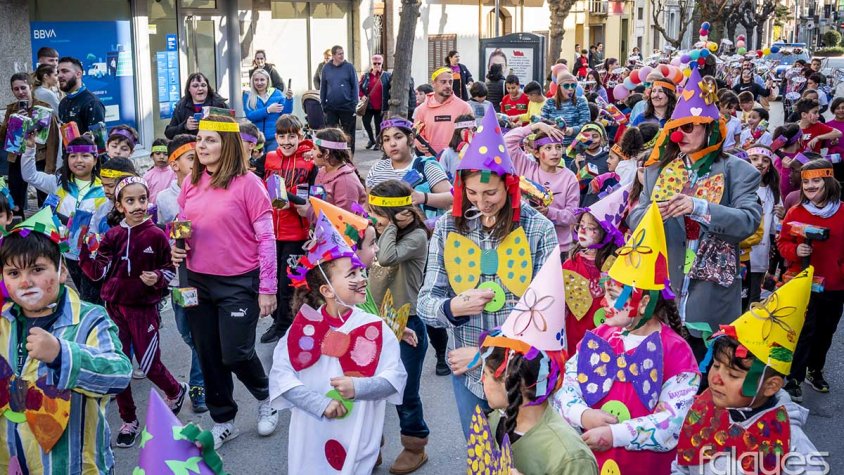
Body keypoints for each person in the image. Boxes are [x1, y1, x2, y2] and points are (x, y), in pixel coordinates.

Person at [417, 112, 558, 437]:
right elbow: (425, 302)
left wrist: (487, 354)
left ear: (509, 187)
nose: (481, 202)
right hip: (468, 376)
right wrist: (452, 308)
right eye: (472, 193)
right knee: (481, 459)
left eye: (490, 193)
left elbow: (548, 317)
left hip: (523, 376)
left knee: (521, 460)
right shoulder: (449, 228)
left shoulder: (539, 229)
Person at [628, 63, 762, 367]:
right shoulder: (656, 172)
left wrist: (699, 207)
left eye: (688, 128)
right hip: (664, 295)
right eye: (676, 130)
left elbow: (748, 221)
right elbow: (634, 222)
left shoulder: (738, 171)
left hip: (711, 297)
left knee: (706, 381)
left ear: (709, 128)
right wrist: (653, 214)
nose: (680, 137)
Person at [556, 203, 700, 475]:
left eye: (614, 296)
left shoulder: (677, 352)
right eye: (606, 294)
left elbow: (673, 420)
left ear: (644, 302)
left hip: (645, 467)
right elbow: (567, 386)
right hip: (593, 463)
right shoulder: (599, 337)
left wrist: (616, 434)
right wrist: (583, 416)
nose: (604, 304)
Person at [170, 115, 279, 449]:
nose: (201, 146)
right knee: (208, 352)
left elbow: (267, 239)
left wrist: (267, 288)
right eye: (200, 139)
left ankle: (267, 397)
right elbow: (181, 222)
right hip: (195, 280)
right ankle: (223, 419)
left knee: (235, 352)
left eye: (211, 140)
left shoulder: (249, 183)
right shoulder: (191, 181)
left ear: (228, 144)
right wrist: (175, 245)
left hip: (238, 282)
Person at [269, 212, 406, 474]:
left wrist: (359, 387)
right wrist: (318, 404)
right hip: (311, 436)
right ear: (327, 290)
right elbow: (281, 377)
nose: (361, 278)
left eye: (360, 271)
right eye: (351, 274)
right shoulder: (303, 327)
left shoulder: (374, 327)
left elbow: (395, 377)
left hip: (357, 433)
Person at [0, 208, 131, 474]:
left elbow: (119, 374)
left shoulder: (89, 318)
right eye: (13, 273)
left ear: (60, 272)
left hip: (75, 465)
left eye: (37, 269)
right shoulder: (3, 323)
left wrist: (63, 354)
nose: (25, 282)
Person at [672, 269, 819, 475]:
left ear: (771, 386)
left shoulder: (790, 443)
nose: (715, 379)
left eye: (732, 375)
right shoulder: (703, 407)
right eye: (716, 365)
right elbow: (682, 466)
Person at [79, 176, 187, 447]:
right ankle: (129, 420)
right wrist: (82, 250)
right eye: (130, 201)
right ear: (119, 205)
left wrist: (159, 277)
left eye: (142, 199)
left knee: (149, 364)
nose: (138, 205)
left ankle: (175, 390)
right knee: (121, 367)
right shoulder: (112, 236)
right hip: (114, 309)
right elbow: (98, 272)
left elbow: (170, 268)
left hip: (143, 311)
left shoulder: (157, 234)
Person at [476, 249, 599, 475]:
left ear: (514, 381)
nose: (481, 380)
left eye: (486, 374)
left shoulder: (570, 457)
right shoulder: (494, 421)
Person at [368, 180, 433, 474]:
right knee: (369, 389)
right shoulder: (377, 231)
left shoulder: (417, 235)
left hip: (408, 323)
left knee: (404, 392)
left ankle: (414, 445)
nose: (374, 219)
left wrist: (390, 226)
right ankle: (368, 445)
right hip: (374, 321)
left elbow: (386, 257)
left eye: (379, 213)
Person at [778, 159, 843, 401]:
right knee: (804, 330)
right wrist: (795, 252)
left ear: (828, 181)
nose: (811, 186)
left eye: (816, 180)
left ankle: (815, 370)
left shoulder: (843, 212)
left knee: (826, 330)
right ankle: (794, 377)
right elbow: (782, 242)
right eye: (806, 182)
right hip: (803, 281)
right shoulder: (796, 212)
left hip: (835, 285)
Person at [20, 134, 109, 304]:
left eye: (85, 156)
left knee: (90, 301)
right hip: (68, 254)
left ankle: (98, 328)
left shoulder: (105, 188)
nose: (78, 160)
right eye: (73, 156)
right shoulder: (58, 184)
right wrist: (30, 148)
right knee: (85, 296)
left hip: (95, 256)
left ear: (95, 158)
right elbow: (29, 175)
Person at [156, 134, 207, 413]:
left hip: (205, 276)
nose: (198, 159)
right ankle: (210, 356)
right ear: (174, 164)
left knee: (199, 334)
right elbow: (159, 233)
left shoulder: (207, 189)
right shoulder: (164, 198)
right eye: (191, 157)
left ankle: (199, 387)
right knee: (188, 333)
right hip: (179, 280)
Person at [260, 114, 317, 344]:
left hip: (296, 233)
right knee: (271, 280)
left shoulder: (309, 162)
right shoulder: (267, 159)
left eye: (291, 136)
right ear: (275, 137)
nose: (286, 141)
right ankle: (279, 321)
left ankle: (285, 325)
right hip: (270, 232)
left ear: (299, 136)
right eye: (282, 136)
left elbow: (312, 199)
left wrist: (288, 196)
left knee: (288, 282)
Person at [562, 185, 627, 352]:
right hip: (576, 329)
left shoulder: (616, 265)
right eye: (581, 224)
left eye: (591, 228)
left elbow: (624, 297)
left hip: (607, 330)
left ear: (604, 233)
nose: (583, 230)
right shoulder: (571, 264)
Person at [505, 121, 579, 254]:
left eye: (558, 147)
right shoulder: (525, 167)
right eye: (548, 148)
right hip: (527, 244)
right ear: (537, 153)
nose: (555, 153)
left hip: (558, 246)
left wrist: (548, 212)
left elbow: (572, 215)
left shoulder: (569, 178)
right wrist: (535, 126)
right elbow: (506, 142)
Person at [367, 117, 453, 222]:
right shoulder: (376, 169)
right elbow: (369, 206)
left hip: (421, 234)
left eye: (398, 137)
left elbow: (453, 197)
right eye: (386, 139)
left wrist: (423, 198)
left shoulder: (426, 166)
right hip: (384, 235)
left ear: (411, 139)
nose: (392, 144)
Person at [1, 72, 60, 216]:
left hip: (39, 158)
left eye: (23, 88)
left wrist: (50, 167)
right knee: (15, 199)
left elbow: (52, 140)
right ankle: (16, 229)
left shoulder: (43, 108)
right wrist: (12, 124)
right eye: (16, 89)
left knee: (44, 198)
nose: (20, 92)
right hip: (16, 157)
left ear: (31, 87)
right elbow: (3, 138)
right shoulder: (12, 109)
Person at [744, 145, 782, 309]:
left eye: (765, 160)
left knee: (753, 299)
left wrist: (782, 215)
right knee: (737, 298)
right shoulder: (738, 188)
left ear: (769, 168)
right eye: (754, 159)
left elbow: (775, 228)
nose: (760, 163)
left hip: (759, 254)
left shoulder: (773, 192)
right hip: (739, 255)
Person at [413, 69, 473, 156]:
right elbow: (417, 133)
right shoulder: (422, 109)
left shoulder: (464, 108)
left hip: (456, 161)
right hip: (431, 162)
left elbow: (471, 135)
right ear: (433, 83)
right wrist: (419, 144)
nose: (448, 85)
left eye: (450, 82)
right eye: (443, 82)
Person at [312, 128, 365, 211]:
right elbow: (317, 203)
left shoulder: (345, 181)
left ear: (326, 153)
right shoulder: (322, 171)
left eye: (314, 149)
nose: (311, 152)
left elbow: (344, 219)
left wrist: (308, 212)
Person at [164, 72, 229, 139]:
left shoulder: (219, 104)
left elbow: (232, 127)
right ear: (189, 89)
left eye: (203, 85)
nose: (200, 88)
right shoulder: (181, 107)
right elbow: (168, 133)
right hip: (189, 147)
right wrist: (185, 126)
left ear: (208, 88)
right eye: (195, 86)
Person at [244, 68, 293, 152]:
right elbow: (250, 115)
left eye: (262, 80)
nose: (259, 83)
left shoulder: (276, 93)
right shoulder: (247, 95)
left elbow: (286, 112)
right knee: (257, 163)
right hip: (256, 138)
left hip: (274, 138)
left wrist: (289, 99)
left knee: (272, 163)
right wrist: (268, 110)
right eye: (256, 80)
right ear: (252, 81)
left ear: (267, 80)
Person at [320, 45, 358, 150]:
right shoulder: (326, 68)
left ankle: (349, 157)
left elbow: (355, 86)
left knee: (348, 134)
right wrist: (323, 104)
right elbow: (323, 87)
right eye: (339, 54)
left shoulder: (349, 67)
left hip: (347, 106)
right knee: (331, 133)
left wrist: (354, 104)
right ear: (333, 56)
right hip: (331, 107)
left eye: (342, 53)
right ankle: (333, 155)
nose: (342, 56)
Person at [56, 57, 105, 135]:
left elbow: (99, 142)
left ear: (78, 74)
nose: (59, 75)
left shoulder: (92, 103)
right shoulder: (63, 102)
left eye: (65, 71)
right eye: (58, 72)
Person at [541, 72, 591, 147]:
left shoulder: (581, 102)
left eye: (573, 85)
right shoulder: (549, 103)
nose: (570, 89)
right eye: (566, 85)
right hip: (553, 147)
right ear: (559, 87)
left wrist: (571, 130)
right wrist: (552, 128)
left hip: (575, 148)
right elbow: (542, 124)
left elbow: (586, 125)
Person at [360, 55, 386, 150]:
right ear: (372, 64)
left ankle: (378, 143)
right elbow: (359, 88)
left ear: (382, 63)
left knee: (378, 124)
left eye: (379, 63)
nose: (377, 65)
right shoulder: (366, 76)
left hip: (380, 105)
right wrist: (362, 95)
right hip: (369, 104)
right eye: (375, 63)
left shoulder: (386, 75)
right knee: (366, 122)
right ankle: (371, 139)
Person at [438, 114, 476, 180]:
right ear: (458, 132)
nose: (471, 133)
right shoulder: (448, 153)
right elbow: (440, 176)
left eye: (474, 129)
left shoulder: (480, 151)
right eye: (465, 130)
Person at [144, 137, 175, 203]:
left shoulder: (175, 173)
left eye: (166, 154)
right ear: (152, 156)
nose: (161, 157)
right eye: (158, 153)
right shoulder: (147, 176)